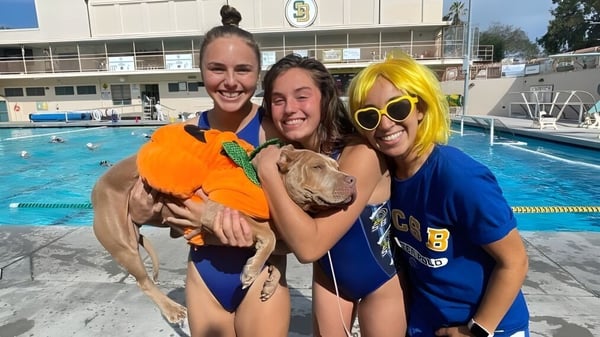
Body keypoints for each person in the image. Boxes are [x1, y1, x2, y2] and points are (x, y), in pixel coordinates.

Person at [210, 54, 407, 337]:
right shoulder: (295, 158)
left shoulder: (360, 154)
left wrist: (267, 172)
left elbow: (310, 247)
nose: (290, 108)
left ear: (325, 98)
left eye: (301, 97)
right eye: (278, 100)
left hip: (381, 283)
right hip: (330, 280)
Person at [128, 5, 289, 337]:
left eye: (243, 70)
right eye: (217, 69)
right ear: (201, 70)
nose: (230, 82)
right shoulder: (187, 133)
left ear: (258, 74)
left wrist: (208, 214)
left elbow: (297, 225)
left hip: (262, 278)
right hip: (204, 280)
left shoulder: (272, 134)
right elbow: (153, 204)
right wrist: (142, 210)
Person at [346, 53, 530, 337]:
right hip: (426, 323)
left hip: (489, 325)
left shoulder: (458, 176)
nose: (384, 125)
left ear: (420, 108)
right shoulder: (386, 178)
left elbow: (515, 261)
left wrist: (476, 330)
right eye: (369, 116)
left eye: (397, 108)